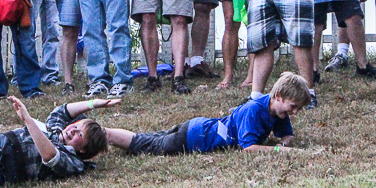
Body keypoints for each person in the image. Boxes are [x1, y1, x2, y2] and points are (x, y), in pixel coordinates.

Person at [106, 72, 309, 155]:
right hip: (195, 137)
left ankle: (104, 133)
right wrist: (279, 151)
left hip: (197, 128)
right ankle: (104, 134)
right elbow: (249, 148)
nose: (295, 112)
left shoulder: (278, 112)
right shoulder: (254, 110)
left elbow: (287, 135)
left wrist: (284, 142)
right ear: (279, 96)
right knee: (146, 145)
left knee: (151, 138)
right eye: (293, 106)